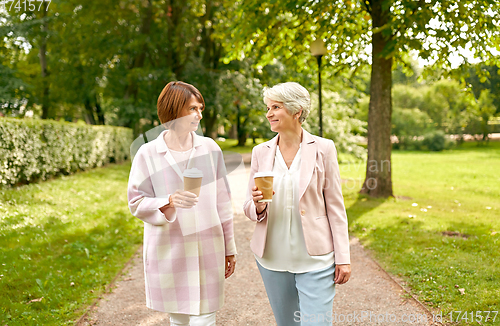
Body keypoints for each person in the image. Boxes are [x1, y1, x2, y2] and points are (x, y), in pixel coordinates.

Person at [128, 81, 237, 326]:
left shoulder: (209, 148)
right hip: (169, 249)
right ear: (173, 111)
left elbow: (223, 201)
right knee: (178, 319)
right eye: (192, 109)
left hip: (208, 246)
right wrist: (169, 201)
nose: (199, 115)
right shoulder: (147, 153)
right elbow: (135, 202)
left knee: (205, 318)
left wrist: (230, 247)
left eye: (200, 108)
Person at [243, 82, 351, 325]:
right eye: (267, 107)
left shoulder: (323, 148)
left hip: (316, 259)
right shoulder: (261, 151)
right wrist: (258, 206)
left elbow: (335, 205)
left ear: (297, 111)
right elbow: (248, 207)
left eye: (276, 107)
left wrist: (343, 257)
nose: (268, 113)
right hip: (272, 257)